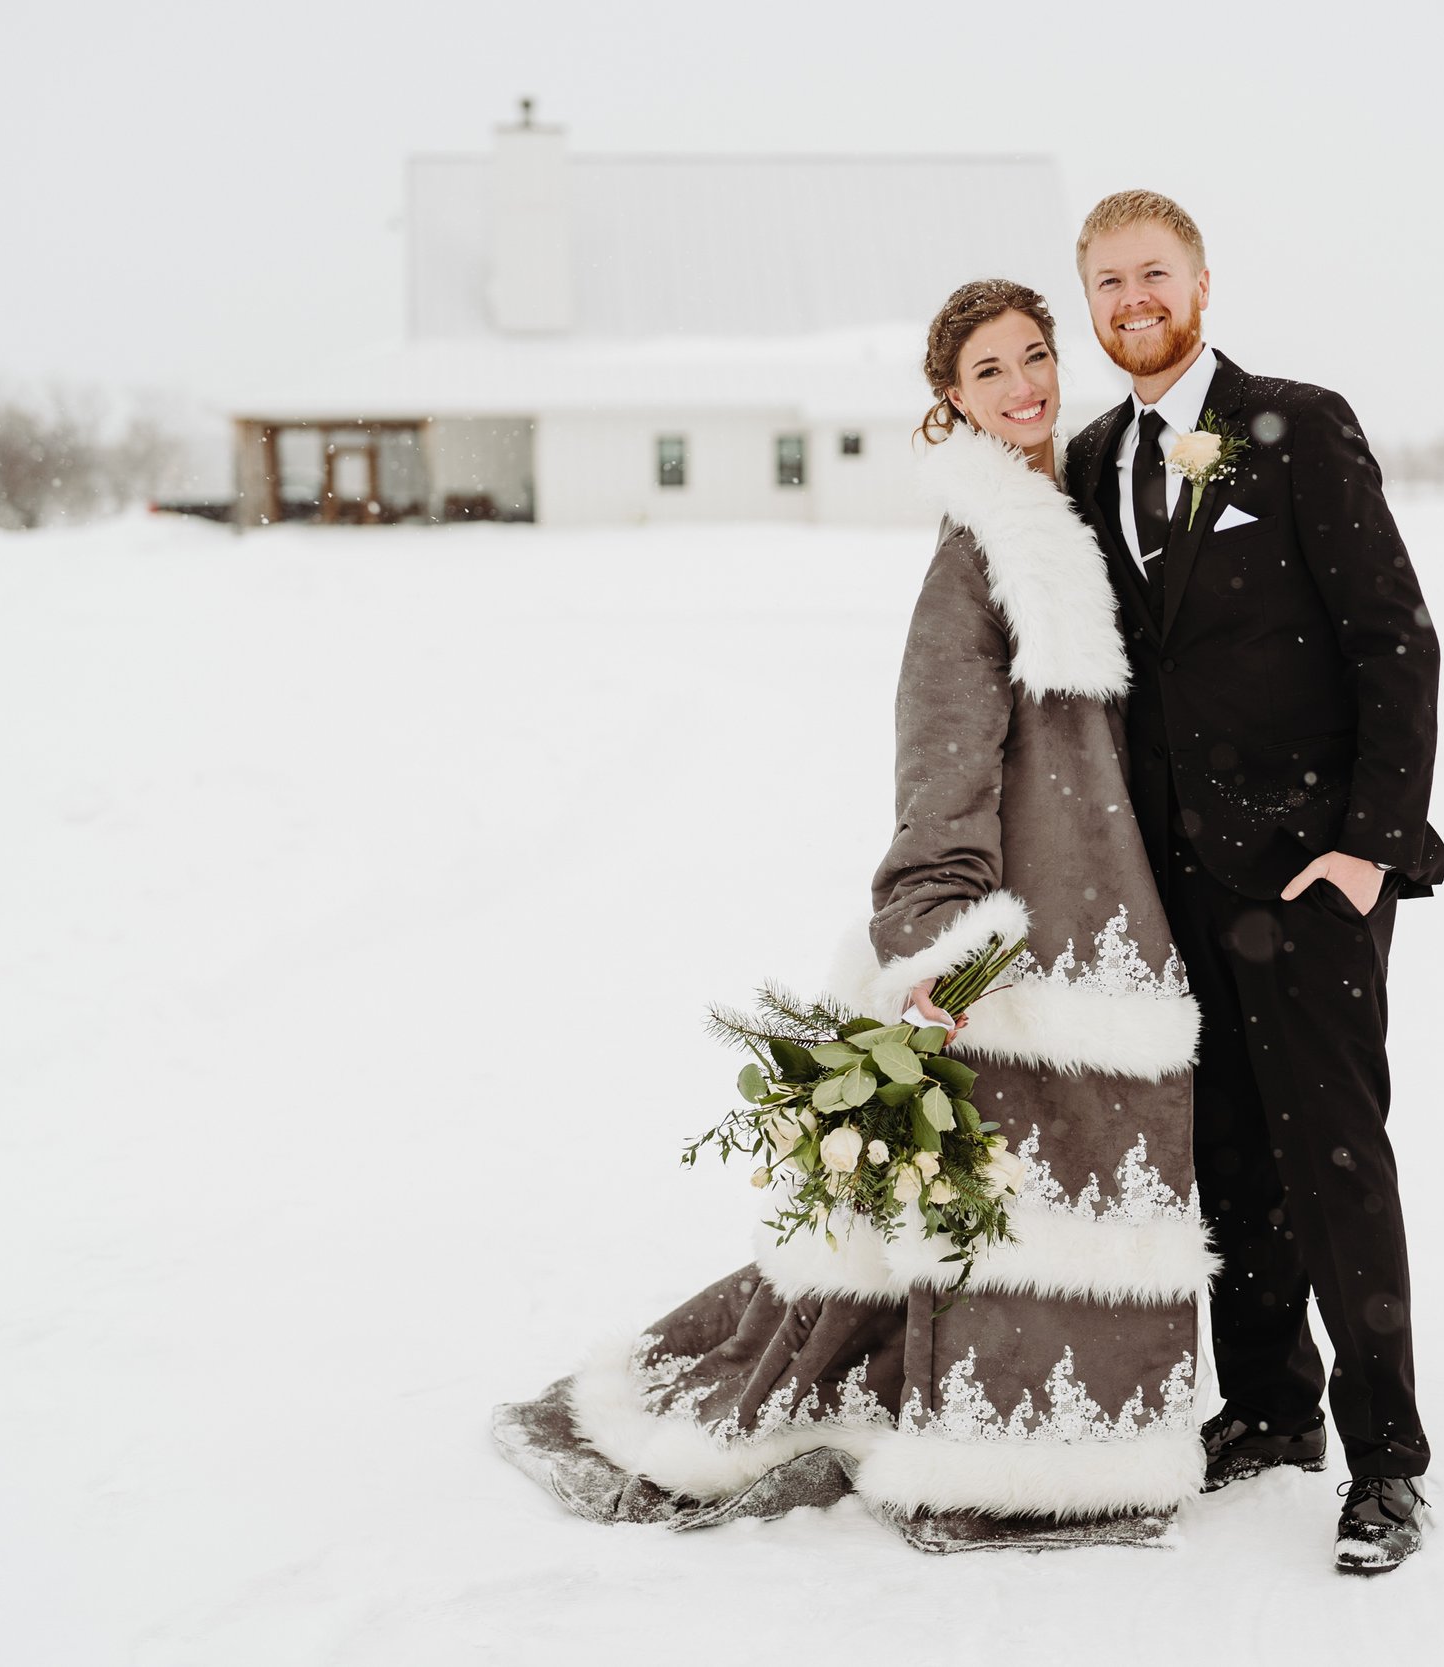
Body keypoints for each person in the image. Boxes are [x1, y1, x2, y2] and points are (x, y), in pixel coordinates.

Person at [493, 279, 1213, 1554]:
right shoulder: (980, 551)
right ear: (950, 401)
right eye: (987, 371)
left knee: (1097, 1189)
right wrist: (939, 932)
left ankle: (1078, 1446)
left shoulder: (1077, 517)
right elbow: (938, 757)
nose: (1022, 384)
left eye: (1034, 356)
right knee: (1009, 1208)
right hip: (1021, 934)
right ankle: (999, 1457)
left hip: (1120, 925)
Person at [1062, 191, 1444, 1574]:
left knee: (1335, 1161)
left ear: (1202, 280)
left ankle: (1387, 1460)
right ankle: (1274, 1405)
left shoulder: (1297, 421)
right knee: (1225, 1154)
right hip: (1173, 886)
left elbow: (1397, 641)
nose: (1131, 300)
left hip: (1309, 875)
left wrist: (1370, 846)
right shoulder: (1096, 454)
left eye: (1152, 273)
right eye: (1106, 282)